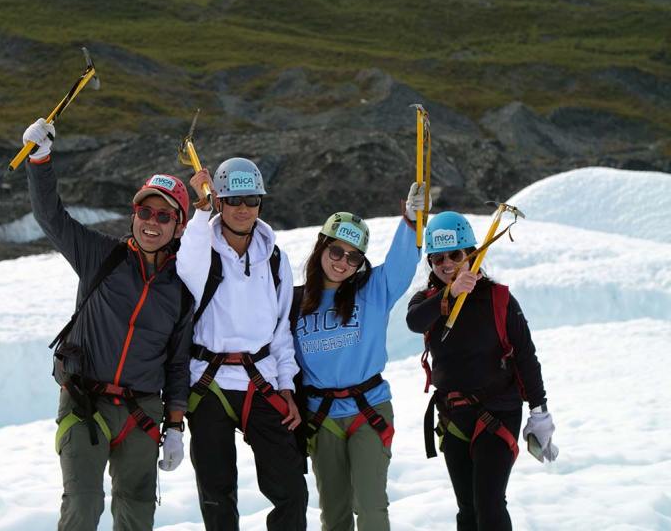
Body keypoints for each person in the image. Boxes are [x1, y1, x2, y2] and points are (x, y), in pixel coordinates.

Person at [22, 118, 194, 531]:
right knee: (83, 506)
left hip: (142, 411)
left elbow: (177, 364)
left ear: (179, 225)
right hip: (85, 401)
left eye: (163, 215)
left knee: (137, 515)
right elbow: (52, 217)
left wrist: (174, 427)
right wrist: (40, 159)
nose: (151, 222)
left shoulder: (182, 289)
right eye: (144, 210)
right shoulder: (102, 256)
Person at [177, 157, 308, 531]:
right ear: (219, 202)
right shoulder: (201, 248)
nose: (243, 208)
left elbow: (282, 328)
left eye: (251, 200)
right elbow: (186, 268)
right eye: (233, 200)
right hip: (209, 383)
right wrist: (200, 212)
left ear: (261, 203)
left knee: (291, 490)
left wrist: (286, 387)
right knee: (218, 496)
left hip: (261, 381)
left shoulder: (275, 258)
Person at [406, 210, 557, 531]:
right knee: (468, 509)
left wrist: (539, 411)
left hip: (499, 411)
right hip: (452, 414)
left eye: (455, 255)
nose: (446, 264)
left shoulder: (499, 299)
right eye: (437, 258)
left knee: (489, 504)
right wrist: (450, 294)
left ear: (472, 253)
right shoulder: (427, 300)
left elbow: (526, 357)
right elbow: (414, 321)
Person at [290, 183, 427, 531]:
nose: (343, 262)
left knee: (370, 509)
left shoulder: (373, 290)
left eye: (354, 257)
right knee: (333, 516)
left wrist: (412, 220)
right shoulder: (294, 302)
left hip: (369, 410)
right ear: (321, 247)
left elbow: (401, 263)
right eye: (336, 251)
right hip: (322, 417)